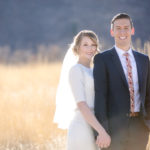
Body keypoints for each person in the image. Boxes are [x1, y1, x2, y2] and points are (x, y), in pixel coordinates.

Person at [93, 13, 150, 150]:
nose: (122, 32)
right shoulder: (102, 59)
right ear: (112, 32)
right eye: (118, 28)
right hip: (113, 130)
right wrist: (102, 131)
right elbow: (100, 97)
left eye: (126, 28)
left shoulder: (144, 60)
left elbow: (148, 94)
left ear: (132, 30)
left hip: (140, 128)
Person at [54, 30, 111, 150]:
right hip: (82, 126)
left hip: (94, 125)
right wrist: (102, 131)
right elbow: (81, 104)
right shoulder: (76, 70)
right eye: (85, 45)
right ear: (77, 47)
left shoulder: (93, 70)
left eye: (93, 45)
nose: (90, 48)